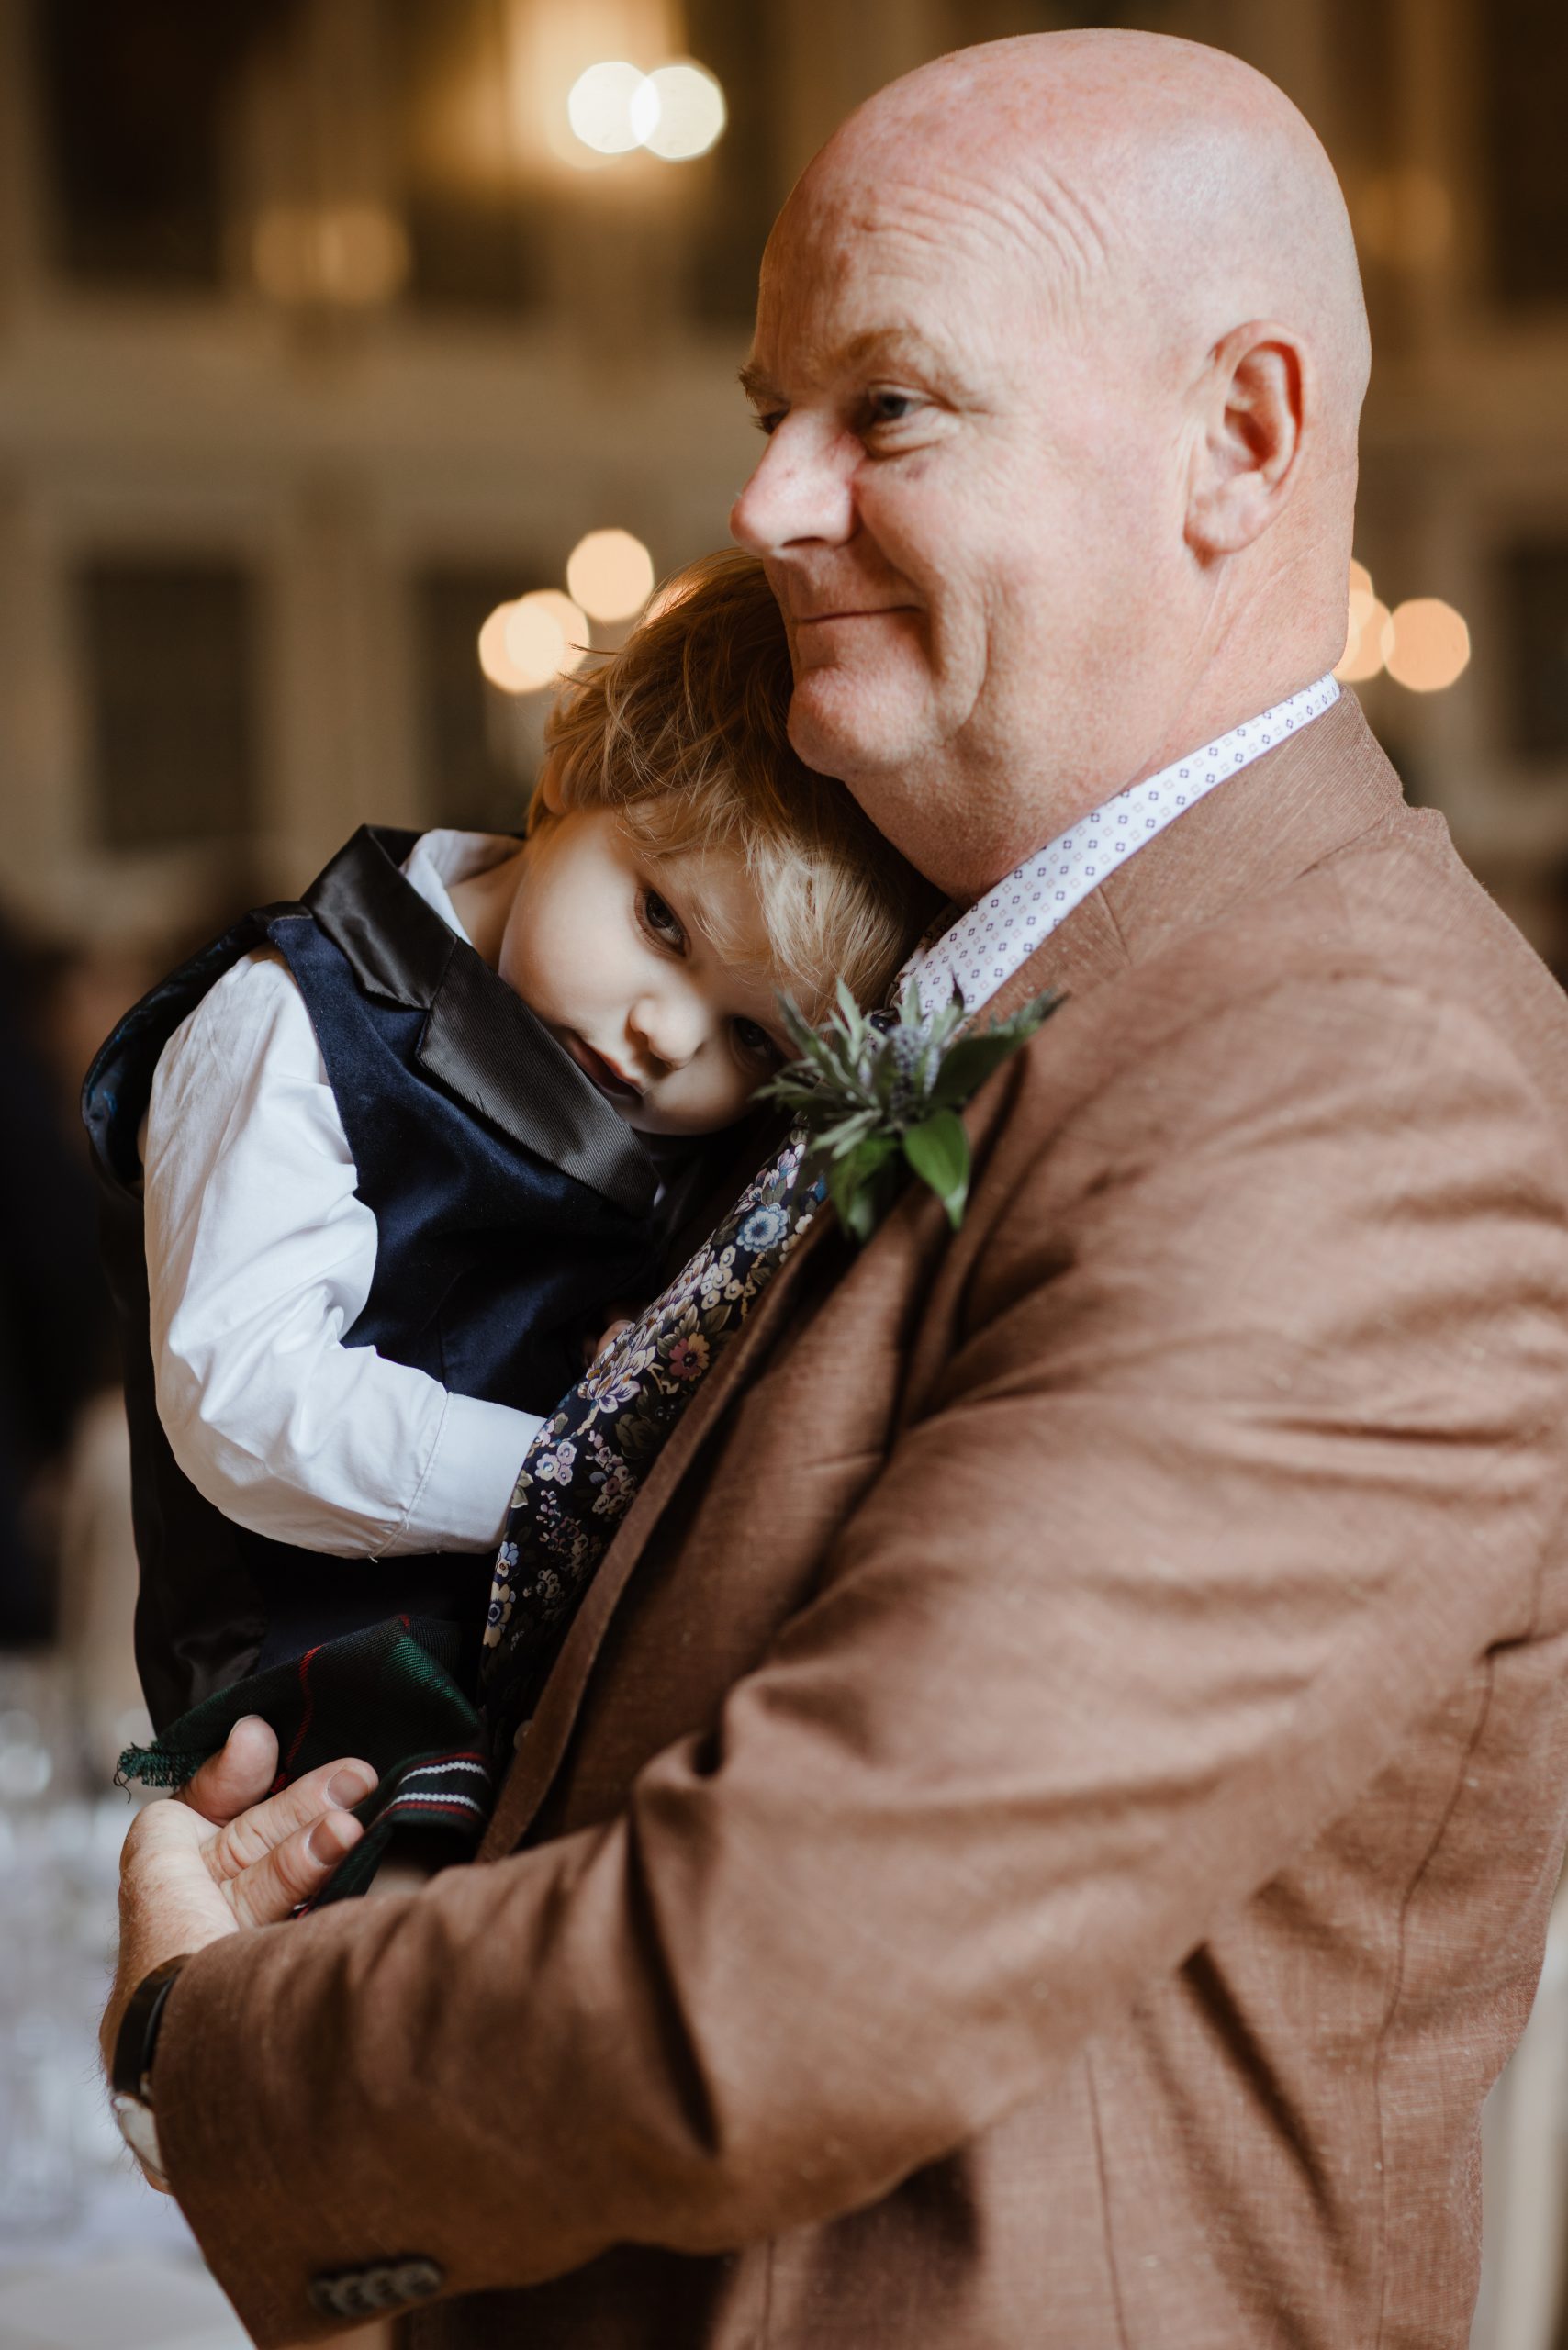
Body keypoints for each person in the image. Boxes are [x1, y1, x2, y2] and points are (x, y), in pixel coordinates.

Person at [100, 30, 1568, 2349]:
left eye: (883, 408)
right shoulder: (1009, 973)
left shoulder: (1353, 1075)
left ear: (1237, 435)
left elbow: (798, 1956)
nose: (766, 498)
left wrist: (214, 2047)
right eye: (769, 409)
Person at [84, 552, 930, 1877]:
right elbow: (247, 1400)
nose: (668, 1036)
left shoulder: (674, 1122)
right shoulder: (290, 1018)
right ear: (575, 770)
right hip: (314, 1692)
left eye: (752, 1039)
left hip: (552, 1681)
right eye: (663, 923)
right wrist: (570, 1474)